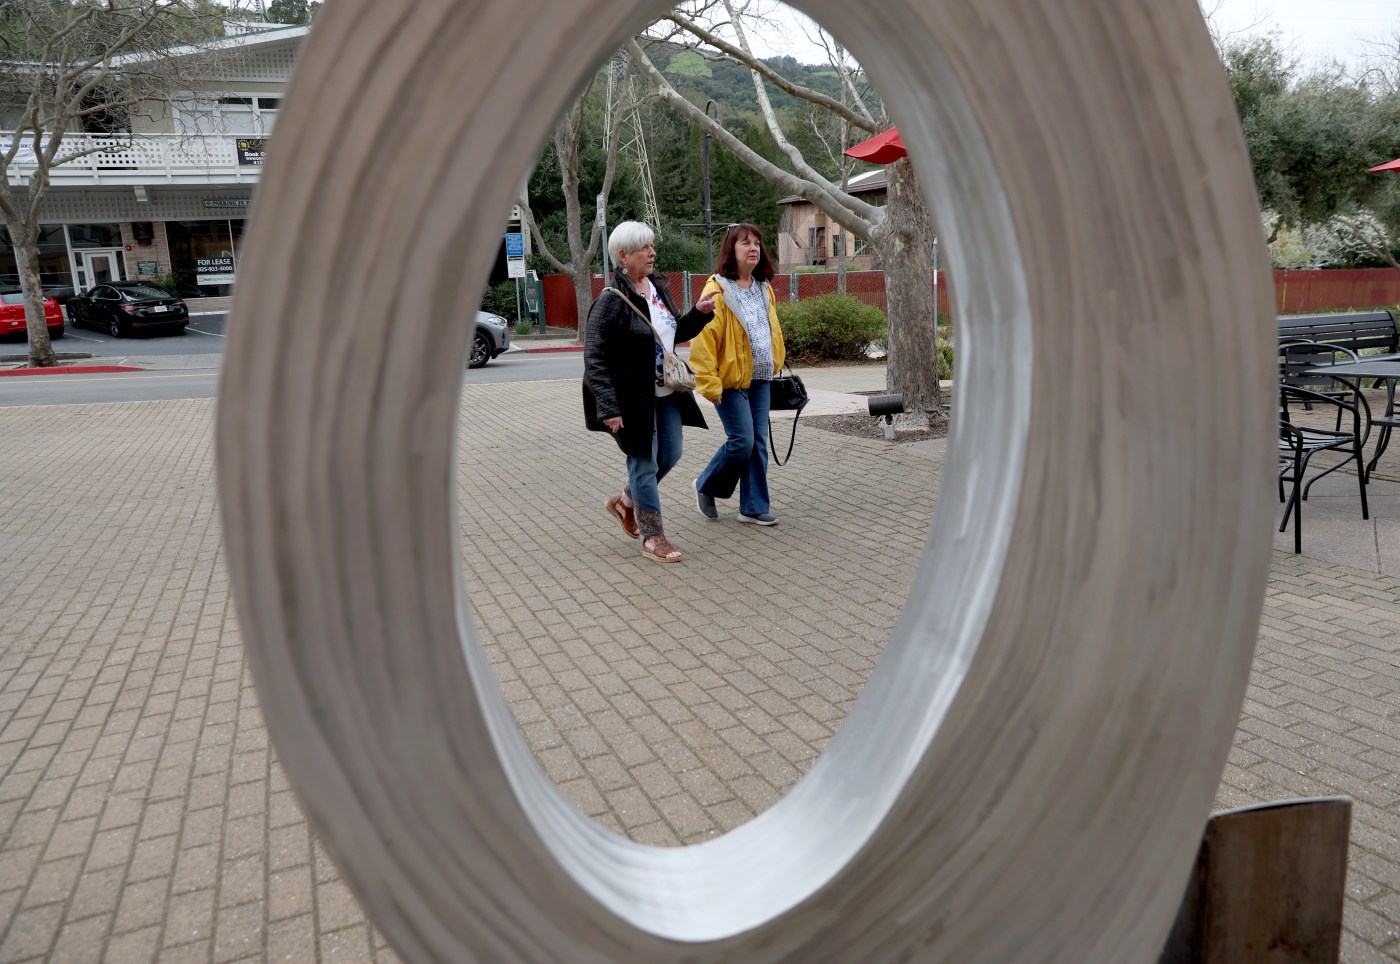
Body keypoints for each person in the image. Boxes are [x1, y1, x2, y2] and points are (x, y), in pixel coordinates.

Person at [583, 221, 716, 563]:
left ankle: (625, 501)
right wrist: (609, 407)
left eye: (652, 246)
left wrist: (697, 315)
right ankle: (652, 537)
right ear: (623, 256)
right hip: (631, 399)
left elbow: (670, 335)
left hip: (666, 391)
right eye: (645, 248)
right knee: (643, 462)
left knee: (669, 453)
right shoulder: (611, 301)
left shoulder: (656, 289)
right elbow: (594, 357)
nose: (653, 252)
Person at [689, 223, 787, 526]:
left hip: (760, 379)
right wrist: (708, 382)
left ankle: (753, 506)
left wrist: (776, 362)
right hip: (730, 381)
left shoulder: (764, 287)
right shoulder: (717, 289)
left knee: (757, 442)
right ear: (731, 250)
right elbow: (703, 340)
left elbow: (770, 329)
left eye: (757, 242)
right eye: (745, 243)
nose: (753, 248)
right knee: (742, 440)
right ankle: (706, 484)